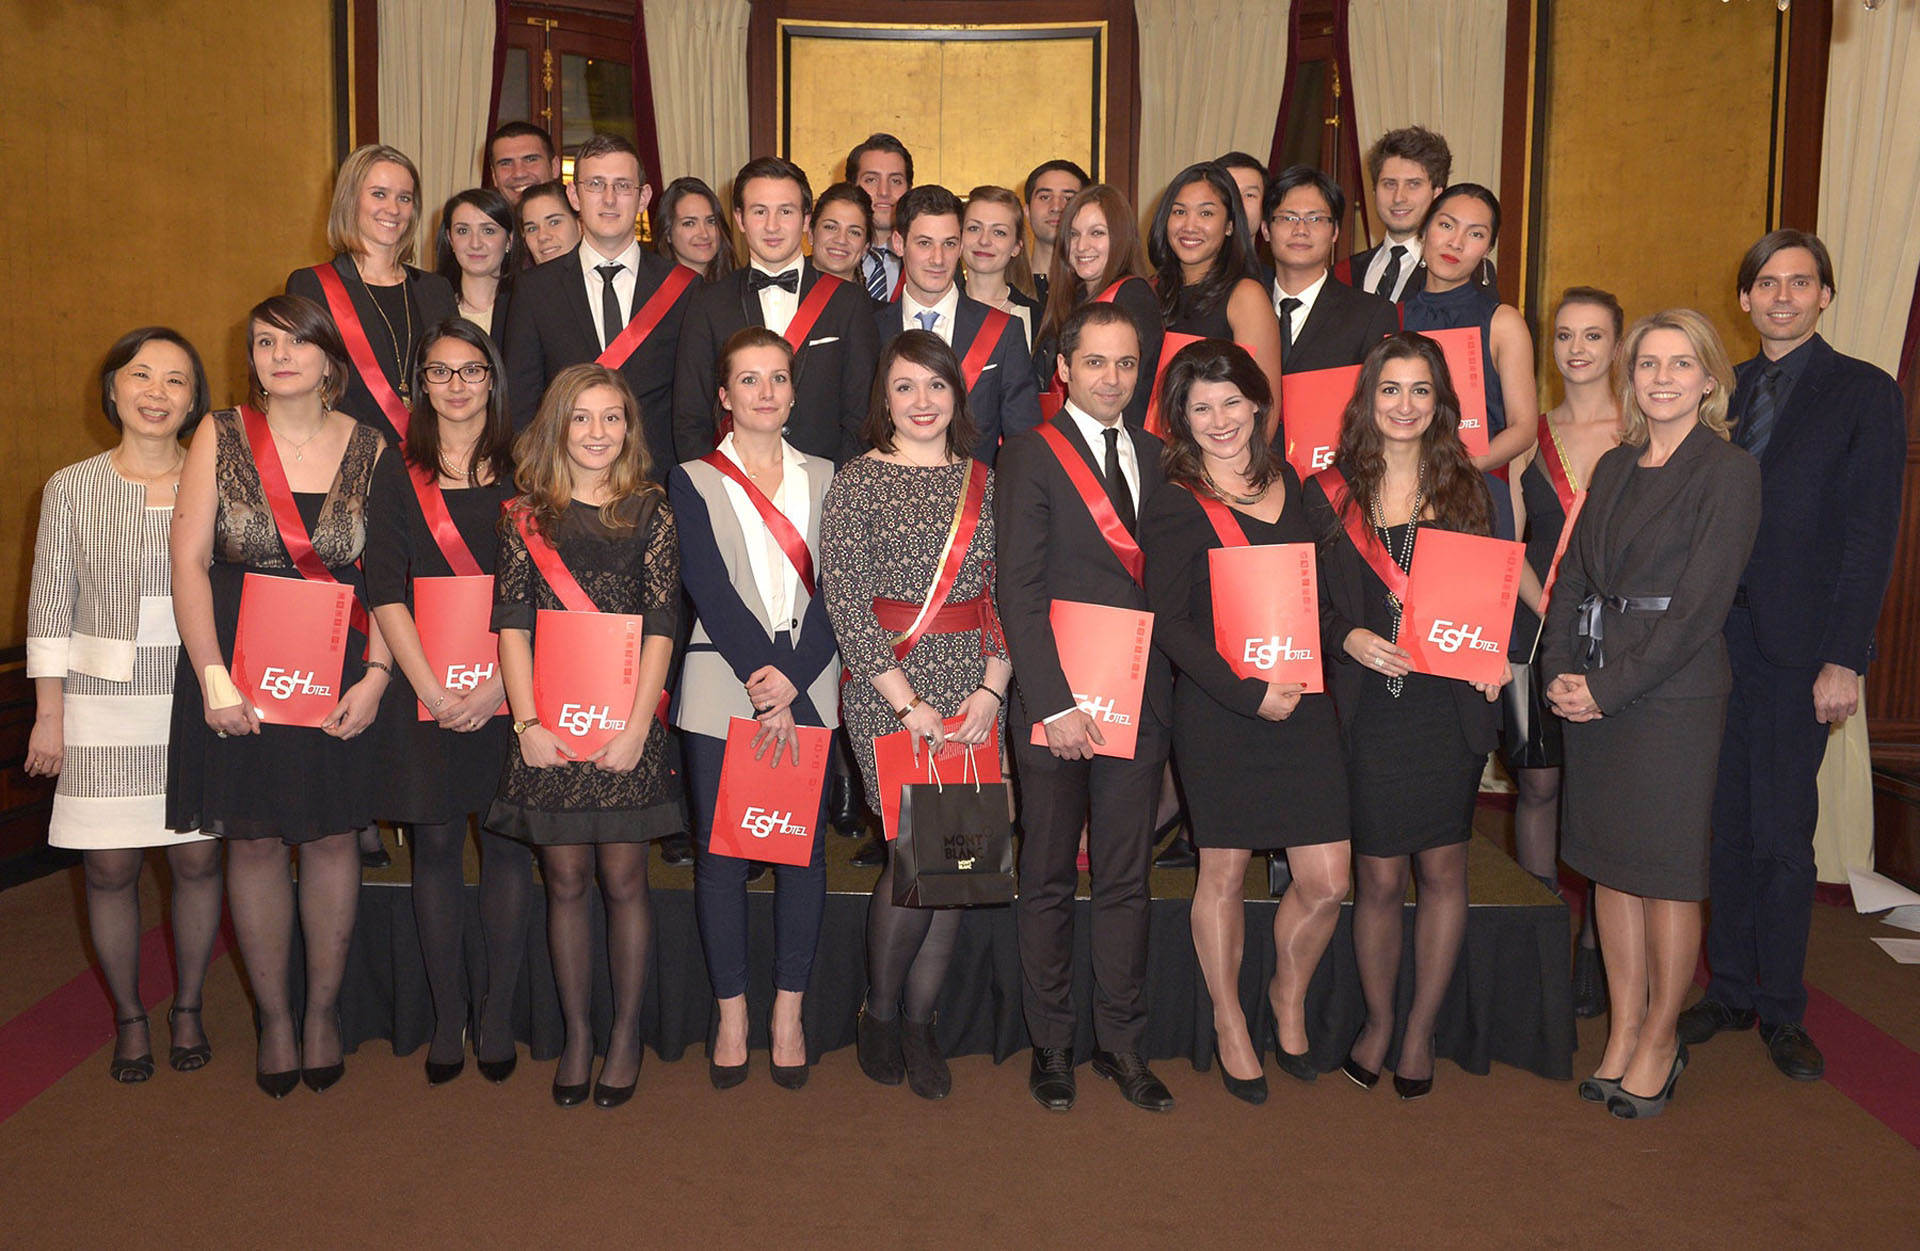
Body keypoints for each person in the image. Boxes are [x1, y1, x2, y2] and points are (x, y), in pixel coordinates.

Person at [1679, 230, 1907, 1081]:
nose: (1781, 296)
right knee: (1726, 822)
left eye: (1799, 282)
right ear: (1743, 299)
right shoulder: (1721, 390)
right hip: (1713, 644)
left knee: (1782, 829)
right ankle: (1729, 987)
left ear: (1825, 296)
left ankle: (1782, 1007)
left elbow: (1869, 536)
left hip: (1800, 652)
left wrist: (1845, 657)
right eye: (1766, 283)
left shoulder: (1863, 393)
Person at [167, 295, 391, 1098]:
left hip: (341, 675)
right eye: (264, 342)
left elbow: (391, 577)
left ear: (330, 359)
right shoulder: (219, 434)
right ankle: (274, 1017)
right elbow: (187, 561)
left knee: (333, 838)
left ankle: (323, 1012)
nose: (279, 354)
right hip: (240, 676)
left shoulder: (371, 447)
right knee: (255, 842)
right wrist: (211, 674)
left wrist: (378, 678)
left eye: (296, 341)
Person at [1542, 309, 1761, 1119]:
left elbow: (1699, 611)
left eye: (1680, 364)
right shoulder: (1613, 465)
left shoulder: (1728, 471)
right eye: (1648, 365)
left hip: (1671, 698)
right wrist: (1563, 669)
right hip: (1595, 687)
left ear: (1709, 379)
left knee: (1665, 877)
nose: (1661, 377)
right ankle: (1623, 1026)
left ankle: (1662, 1037)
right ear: (1631, 379)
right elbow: (1570, 580)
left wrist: (1609, 686)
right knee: (1609, 866)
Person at [1138, 341, 1351, 1104]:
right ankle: (1230, 1018)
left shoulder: (1290, 482)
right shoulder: (1172, 500)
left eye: (1233, 402)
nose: (1221, 419)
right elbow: (1168, 619)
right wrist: (1244, 690)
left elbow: (1317, 592)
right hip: (1223, 707)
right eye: (1201, 407)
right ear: (1180, 421)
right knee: (1222, 871)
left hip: (1304, 703)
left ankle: (1285, 997)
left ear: (1258, 404)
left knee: (1328, 878)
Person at [1302, 332, 1506, 1100]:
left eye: (1421, 390)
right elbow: (1307, 602)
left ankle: (1420, 1030)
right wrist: (1347, 636)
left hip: (1443, 708)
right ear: (1367, 398)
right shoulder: (1327, 493)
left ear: (1441, 403)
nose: (1405, 404)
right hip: (1364, 714)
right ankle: (1379, 1021)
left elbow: (1489, 599)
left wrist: (1491, 659)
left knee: (1444, 870)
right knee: (1379, 876)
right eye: (1391, 389)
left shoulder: (1467, 489)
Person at [26, 328, 222, 1083]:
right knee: (108, 868)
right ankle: (131, 1016)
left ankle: (190, 1006)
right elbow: (50, 604)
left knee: (199, 858)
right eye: (142, 375)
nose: (157, 392)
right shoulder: (72, 486)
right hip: (102, 699)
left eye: (176, 380)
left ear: (194, 400)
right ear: (112, 388)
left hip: (191, 692)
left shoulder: (215, 480)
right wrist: (51, 713)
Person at [821, 330, 1011, 1101]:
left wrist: (993, 688)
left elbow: (1007, 594)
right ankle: (883, 1008)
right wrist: (909, 705)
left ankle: (924, 1022)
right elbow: (847, 601)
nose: (922, 402)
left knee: (959, 863)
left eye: (936, 386)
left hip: (974, 690)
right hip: (888, 692)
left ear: (957, 397)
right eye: (905, 387)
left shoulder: (987, 482)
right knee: (914, 860)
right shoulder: (857, 482)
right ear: (884, 398)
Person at [487, 363, 682, 1109]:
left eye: (612, 418)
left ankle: (626, 1034)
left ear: (629, 428)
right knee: (564, 881)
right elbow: (512, 623)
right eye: (582, 418)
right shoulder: (524, 515)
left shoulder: (651, 511)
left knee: (624, 882)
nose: (598, 433)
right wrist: (527, 724)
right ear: (557, 426)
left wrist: (638, 727)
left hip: (626, 731)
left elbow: (662, 624)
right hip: (549, 732)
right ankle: (576, 1032)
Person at [998, 302, 1174, 1113]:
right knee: (1043, 878)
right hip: (1056, 706)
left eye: (1127, 364)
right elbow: (1020, 595)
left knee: (1126, 880)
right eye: (1096, 362)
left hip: (1139, 699)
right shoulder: (1031, 454)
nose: (1112, 379)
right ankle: (1053, 1044)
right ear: (1063, 368)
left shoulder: (1159, 455)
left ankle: (1123, 1043)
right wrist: (1056, 704)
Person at [669, 328, 841, 1090]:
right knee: (725, 857)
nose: (765, 392)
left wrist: (794, 681)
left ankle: (788, 1014)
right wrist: (761, 678)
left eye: (778, 378)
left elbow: (844, 589)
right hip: (722, 684)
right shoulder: (694, 478)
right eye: (749, 379)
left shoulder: (833, 477)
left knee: (802, 854)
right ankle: (734, 1010)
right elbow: (706, 586)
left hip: (813, 681)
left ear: (795, 392)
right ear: (724, 394)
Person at [364, 320, 527, 1085]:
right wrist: (429, 686)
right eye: (439, 372)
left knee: (504, 848)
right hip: (420, 690)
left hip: (510, 688)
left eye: (471, 371)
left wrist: (500, 687)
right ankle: (445, 1015)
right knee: (432, 849)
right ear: (419, 385)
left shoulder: (529, 471)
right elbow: (384, 587)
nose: (456, 386)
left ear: (491, 379)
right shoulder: (396, 472)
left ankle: (496, 1014)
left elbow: (544, 591)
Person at [1507, 287, 1625, 1018]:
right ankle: (1538, 936)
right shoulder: (1527, 435)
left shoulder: (1645, 433)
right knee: (1539, 786)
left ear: (1618, 346)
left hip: (1620, 647)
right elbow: (1507, 536)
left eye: (1593, 336)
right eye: (1564, 336)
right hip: (1533, 632)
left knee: (1604, 797)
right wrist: (1546, 607)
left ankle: (1595, 948)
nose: (1577, 349)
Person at [505, 133, 695, 479]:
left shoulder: (684, 288)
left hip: (658, 484)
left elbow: (692, 408)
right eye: (595, 184)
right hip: (565, 487)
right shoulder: (535, 290)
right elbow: (521, 405)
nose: (609, 199)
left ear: (644, 197)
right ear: (574, 195)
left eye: (623, 186)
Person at [673, 157, 881, 465]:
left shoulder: (848, 303)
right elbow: (690, 417)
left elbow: (863, 417)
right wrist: (715, 493)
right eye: (760, 212)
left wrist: (835, 491)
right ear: (740, 219)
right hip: (734, 491)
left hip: (827, 492)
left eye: (785, 211)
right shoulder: (708, 303)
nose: (772, 226)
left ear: (806, 219)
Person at [287, 144, 458, 447]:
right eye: (379, 194)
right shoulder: (311, 285)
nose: (393, 209)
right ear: (350, 200)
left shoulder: (436, 290)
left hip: (430, 458)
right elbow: (303, 388)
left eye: (404, 198)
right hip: (347, 456)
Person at [1400, 184, 1539, 538]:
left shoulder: (1503, 322)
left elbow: (1524, 427)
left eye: (1475, 234)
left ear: (1488, 248)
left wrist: (1457, 468)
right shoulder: (1387, 318)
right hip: (1396, 496)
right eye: (1446, 225)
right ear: (1425, 228)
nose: (1456, 243)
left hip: (1476, 495)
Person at [876, 183, 1042, 460]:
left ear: (962, 245)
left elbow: (1023, 443)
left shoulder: (1003, 331)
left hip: (976, 497)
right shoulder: (871, 328)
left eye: (949, 244)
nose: (938, 259)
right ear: (898, 243)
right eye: (924, 243)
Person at [1147, 162, 1285, 437]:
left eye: (1206, 213)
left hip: (1217, 464)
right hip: (1147, 459)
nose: (1190, 225)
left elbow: (1264, 406)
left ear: (1230, 226)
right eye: (1179, 212)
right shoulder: (1149, 290)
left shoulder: (1245, 296)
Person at [1032, 184, 1164, 431]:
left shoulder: (1133, 296)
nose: (1081, 246)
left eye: (1097, 233)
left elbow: (1133, 391)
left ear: (1120, 237)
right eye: (1073, 234)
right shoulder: (1075, 295)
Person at [1263, 165, 1398, 375]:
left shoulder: (1370, 315)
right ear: (1266, 229)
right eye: (1288, 218)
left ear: (1335, 232)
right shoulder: (1242, 305)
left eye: (1315, 219)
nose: (1301, 230)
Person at [1341, 126, 1449, 301]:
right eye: (1389, 184)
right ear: (1374, 191)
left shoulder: (1459, 272)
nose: (1398, 198)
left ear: (1437, 193)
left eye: (1413, 184)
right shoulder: (1345, 273)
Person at [434, 188, 518, 347]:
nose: (475, 244)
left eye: (488, 231)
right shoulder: (429, 305)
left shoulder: (526, 305)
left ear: (509, 240)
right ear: (450, 239)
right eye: (463, 231)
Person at [961, 184, 1043, 345]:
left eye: (999, 232)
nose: (984, 240)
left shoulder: (1037, 316)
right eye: (974, 228)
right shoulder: (936, 307)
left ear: (1016, 247)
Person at [847, 132, 914, 301]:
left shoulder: (932, 258)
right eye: (871, 180)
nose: (884, 192)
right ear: (851, 187)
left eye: (896, 181)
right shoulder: (829, 256)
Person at [1023, 159, 1089, 308]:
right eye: (1045, 197)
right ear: (1027, 211)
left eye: (1068, 198)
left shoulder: (1095, 291)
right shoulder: (1007, 288)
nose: (1056, 207)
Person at [654, 176, 738, 283]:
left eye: (711, 221)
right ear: (668, 233)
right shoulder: (650, 292)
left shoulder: (738, 288)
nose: (704, 234)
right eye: (689, 223)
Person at [1212, 151, 1271, 273]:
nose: (1237, 202)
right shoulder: (1172, 279)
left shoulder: (1272, 286)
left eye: (1249, 195)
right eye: (1227, 192)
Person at [806, 182, 874, 286]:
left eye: (854, 232)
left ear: (865, 246)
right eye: (831, 227)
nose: (841, 240)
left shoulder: (867, 302)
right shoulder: (778, 295)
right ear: (811, 233)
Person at [486, 121, 560, 208]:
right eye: (506, 164)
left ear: (554, 167)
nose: (519, 174)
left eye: (530, 160)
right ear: (494, 175)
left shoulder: (576, 221)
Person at [516, 180, 583, 267]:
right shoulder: (521, 280)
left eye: (554, 223)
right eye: (532, 229)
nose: (542, 237)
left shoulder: (603, 277)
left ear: (580, 225)